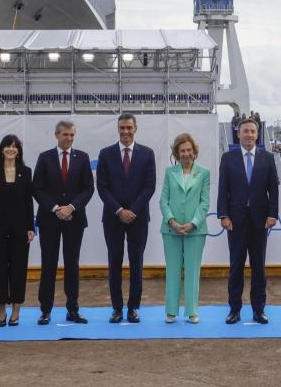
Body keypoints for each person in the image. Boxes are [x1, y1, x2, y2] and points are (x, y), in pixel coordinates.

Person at [217, 117, 279, 324]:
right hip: (235, 222)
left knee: (259, 268)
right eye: (246, 131)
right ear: (238, 133)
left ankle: (258, 310)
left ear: (258, 133)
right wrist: (223, 215)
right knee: (236, 267)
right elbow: (222, 189)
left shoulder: (268, 158)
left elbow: (274, 190)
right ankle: (234, 309)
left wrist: (272, 215)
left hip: (260, 222)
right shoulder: (228, 158)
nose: (249, 135)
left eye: (253, 131)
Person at [96, 113, 156, 323]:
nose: (125, 132)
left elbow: (149, 187)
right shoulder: (105, 154)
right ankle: (117, 309)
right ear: (117, 129)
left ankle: (133, 308)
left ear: (135, 129)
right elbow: (102, 188)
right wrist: (119, 210)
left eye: (129, 128)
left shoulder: (147, 154)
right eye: (122, 128)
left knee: (136, 263)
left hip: (138, 219)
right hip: (113, 219)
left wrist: (133, 211)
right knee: (114, 263)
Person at [33, 121, 94, 325]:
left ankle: (73, 309)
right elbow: (37, 189)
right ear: (56, 134)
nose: (69, 138)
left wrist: (71, 207)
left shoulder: (83, 157)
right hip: (49, 220)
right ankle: (45, 310)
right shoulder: (44, 157)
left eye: (72, 135)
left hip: (74, 220)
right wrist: (56, 208)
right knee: (48, 265)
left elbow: (88, 188)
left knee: (72, 265)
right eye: (65, 134)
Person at [0, 135, 33, 327]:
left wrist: (31, 227)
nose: (11, 149)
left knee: (19, 270)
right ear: (1, 150)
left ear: (18, 150)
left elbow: (29, 202)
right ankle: (1, 313)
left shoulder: (26, 172)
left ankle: (16, 312)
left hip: (20, 230)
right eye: (7, 146)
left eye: (14, 147)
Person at [160, 133, 210, 324]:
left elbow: (204, 203)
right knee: (172, 270)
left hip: (195, 231)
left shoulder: (204, 173)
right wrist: (171, 221)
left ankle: (192, 311)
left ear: (194, 152)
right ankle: (171, 312)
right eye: (182, 151)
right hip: (171, 230)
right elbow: (163, 201)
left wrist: (193, 223)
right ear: (177, 153)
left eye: (189, 150)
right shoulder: (169, 172)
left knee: (192, 271)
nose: (186, 154)